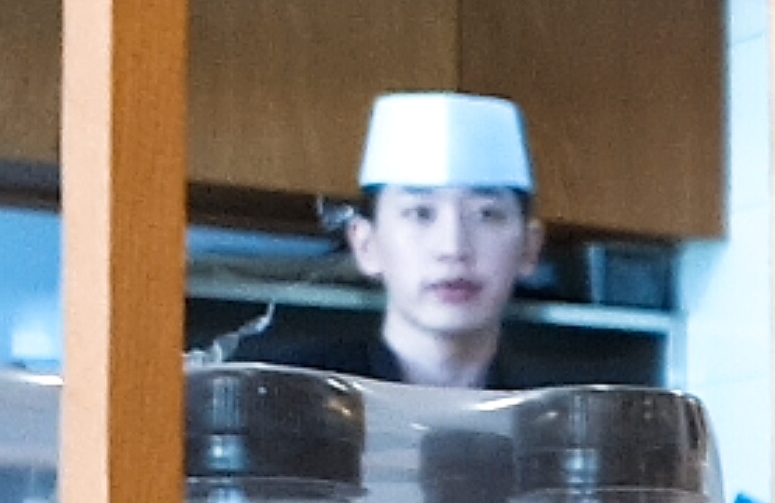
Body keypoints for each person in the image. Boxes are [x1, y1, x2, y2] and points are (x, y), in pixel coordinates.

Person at [243, 92, 570, 391]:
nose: (453, 248)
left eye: (486, 214)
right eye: (420, 213)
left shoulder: (559, 412)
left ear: (529, 247)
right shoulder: (290, 395)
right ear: (366, 245)